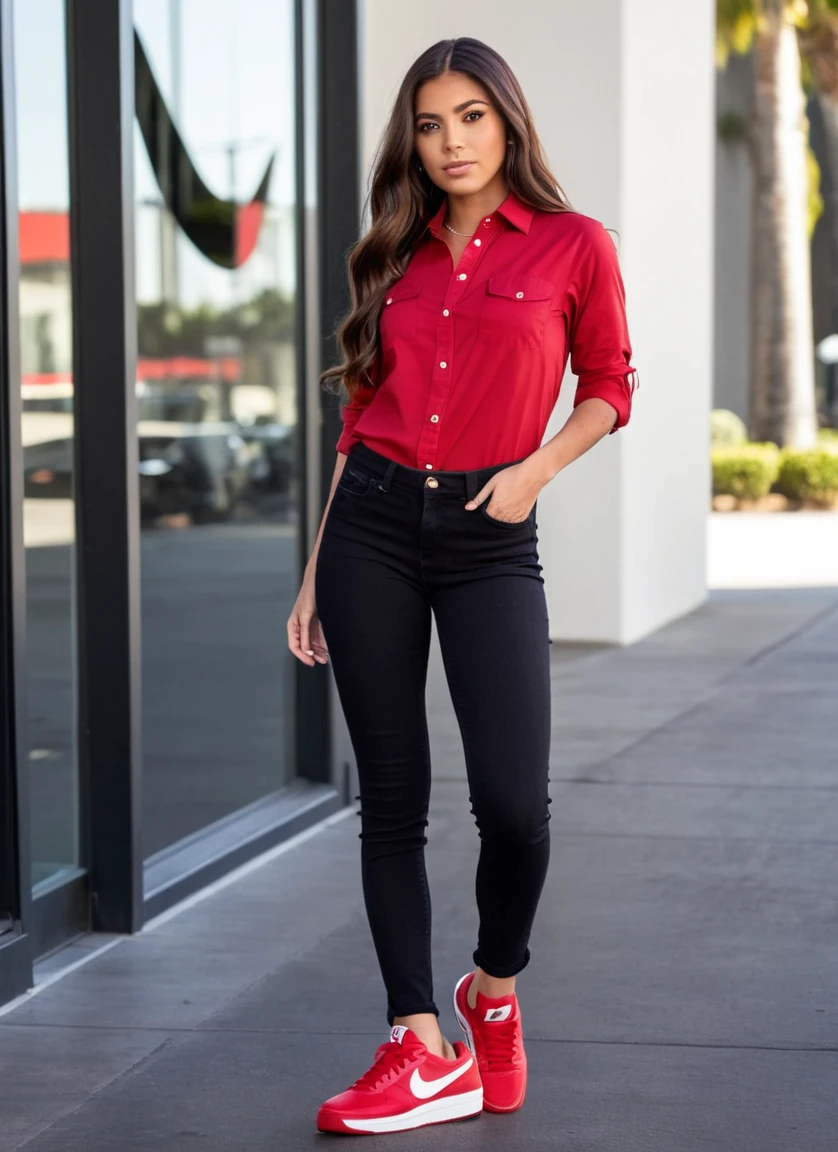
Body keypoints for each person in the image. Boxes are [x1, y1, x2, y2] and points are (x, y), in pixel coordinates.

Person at [286, 35, 637, 1137]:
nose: (449, 142)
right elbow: (356, 422)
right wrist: (312, 574)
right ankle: (415, 1040)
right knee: (389, 802)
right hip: (373, 529)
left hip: (492, 532)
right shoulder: (393, 251)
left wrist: (532, 474)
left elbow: (609, 384)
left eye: (470, 118)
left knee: (513, 809)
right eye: (430, 123)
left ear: (508, 122)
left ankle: (491, 988)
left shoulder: (574, 246)